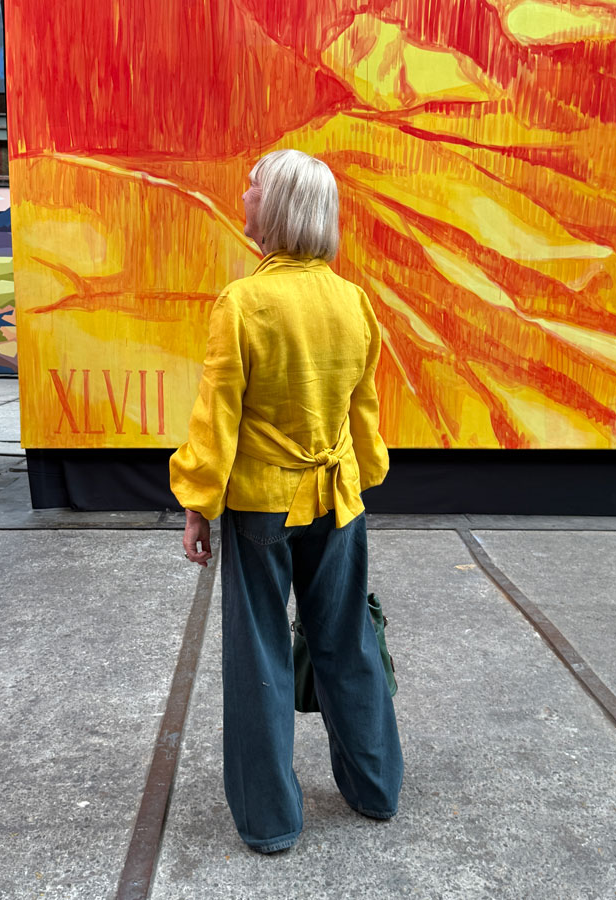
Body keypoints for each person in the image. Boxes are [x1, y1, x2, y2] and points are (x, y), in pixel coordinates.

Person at [170, 149, 403, 854]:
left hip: (262, 506)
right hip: (338, 499)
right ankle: (375, 788)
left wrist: (196, 502)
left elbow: (217, 420)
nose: (242, 195)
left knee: (260, 655)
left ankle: (271, 821)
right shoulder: (352, 301)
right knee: (347, 642)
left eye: (253, 187)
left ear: (275, 208)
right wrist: (361, 478)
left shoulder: (242, 303)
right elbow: (362, 414)